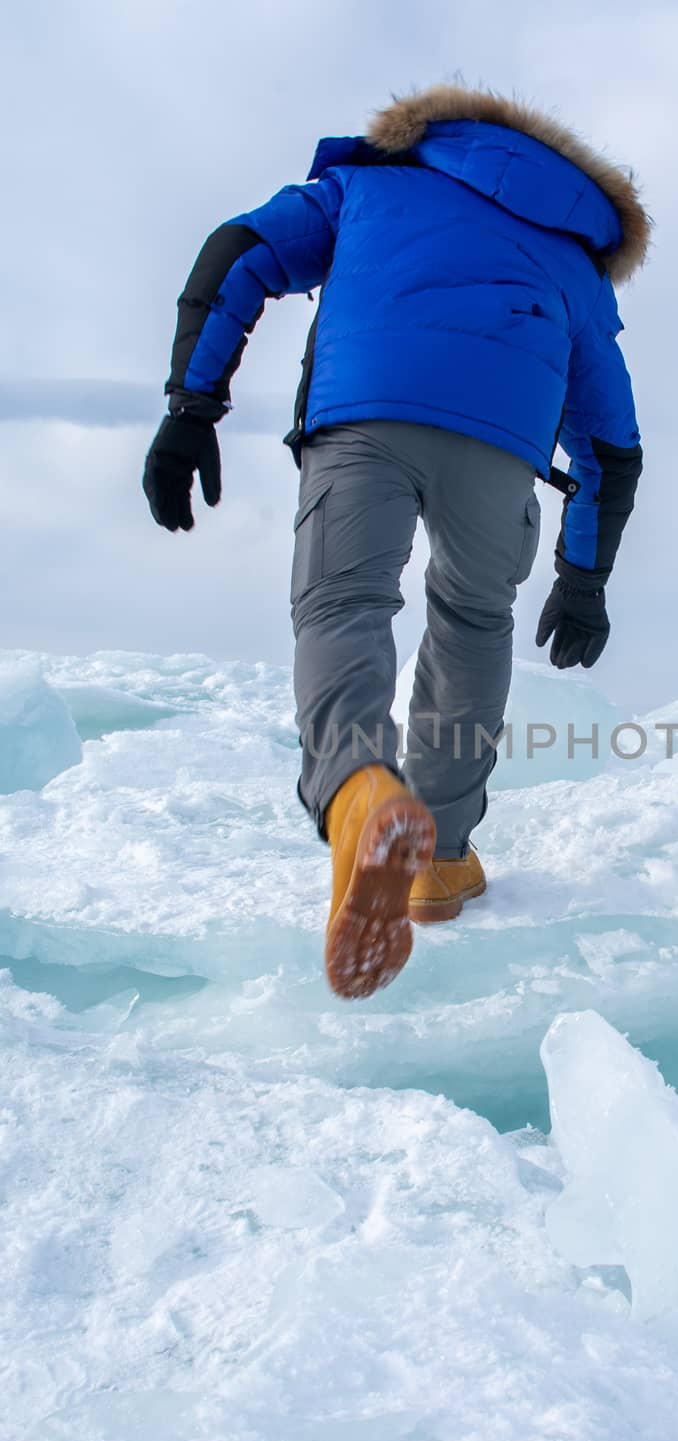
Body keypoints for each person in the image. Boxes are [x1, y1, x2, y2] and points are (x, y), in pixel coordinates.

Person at [143, 84, 650, 999]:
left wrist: (193, 405)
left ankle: (360, 794)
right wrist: (583, 578)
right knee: (473, 620)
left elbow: (239, 253)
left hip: (366, 414)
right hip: (502, 453)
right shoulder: (573, 263)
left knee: (343, 604)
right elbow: (612, 445)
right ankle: (441, 861)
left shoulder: (374, 184)